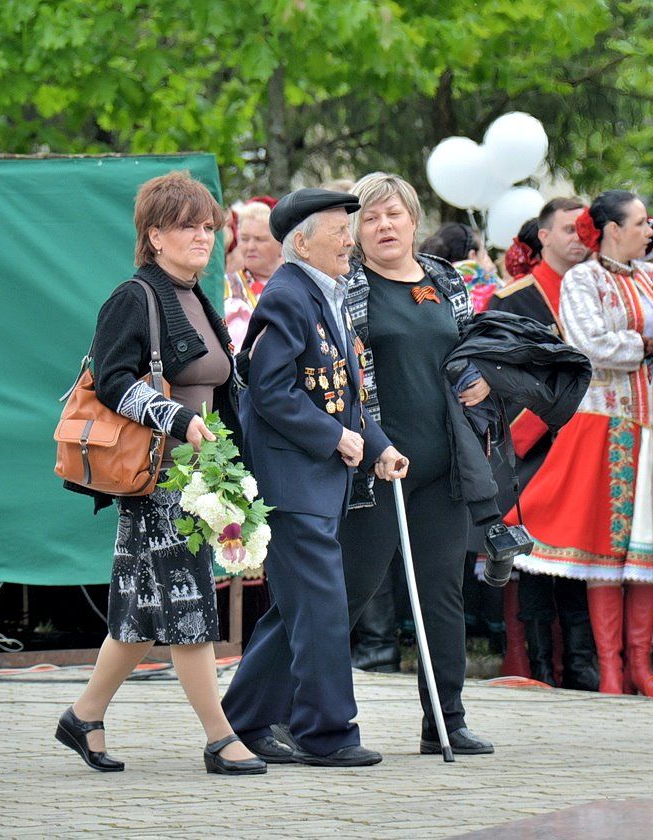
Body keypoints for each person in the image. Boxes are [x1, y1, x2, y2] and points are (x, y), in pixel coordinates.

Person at [56, 171, 264, 776]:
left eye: (207, 226)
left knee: (141, 611)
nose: (202, 236)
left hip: (196, 477)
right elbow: (114, 380)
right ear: (154, 235)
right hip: (159, 479)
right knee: (187, 604)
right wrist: (176, 420)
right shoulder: (134, 297)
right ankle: (220, 737)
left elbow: (220, 383)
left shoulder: (198, 294)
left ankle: (84, 716)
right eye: (185, 226)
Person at [220, 188, 408, 767]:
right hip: (292, 482)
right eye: (338, 232)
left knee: (297, 610)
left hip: (316, 481)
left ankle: (245, 720)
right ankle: (327, 734)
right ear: (302, 242)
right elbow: (271, 391)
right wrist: (335, 439)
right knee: (323, 609)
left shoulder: (321, 291)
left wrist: (376, 445)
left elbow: (340, 389)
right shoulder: (286, 295)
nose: (349, 241)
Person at [506, 190, 653, 699]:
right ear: (612, 230)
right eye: (641, 222)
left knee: (648, 548)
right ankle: (611, 671)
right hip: (604, 425)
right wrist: (646, 343)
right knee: (604, 546)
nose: (651, 230)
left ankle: (640, 667)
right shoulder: (584, 280)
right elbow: (588, 345)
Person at [339, 172, 497, 755]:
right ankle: (299, 712)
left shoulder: (443, 277)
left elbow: (465, 351)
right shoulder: (347, 286)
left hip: (444, 466)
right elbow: (342, 377)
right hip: (377, 465)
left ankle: (445, 720)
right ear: (356, 229)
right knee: (352, 592)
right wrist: (369, 443)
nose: (384, 226)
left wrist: (477, 380)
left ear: (413, 221)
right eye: (371, 217)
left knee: (442, 592)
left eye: (394, 215)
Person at [489, 197, 598, 690]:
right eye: (569, 229)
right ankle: (538, 665)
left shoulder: (600, 287)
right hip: (534, 439)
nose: (579, 238)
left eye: (585, 230)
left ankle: (582, 662)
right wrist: (536, 421)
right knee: (536, 555)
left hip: (590, 437)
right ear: (543, 236)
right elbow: (501, 372)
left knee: (581, 549)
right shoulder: (516, 297)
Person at [223, 201, 284, 349]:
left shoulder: (297, 282)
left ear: (280, 242)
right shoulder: (226, 285)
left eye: (259, 239)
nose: (250, 247)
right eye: (244, 239)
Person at [421, 221, 501, 312]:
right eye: (484, 254)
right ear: (472, 255)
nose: (489, 260)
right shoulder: (490, 288)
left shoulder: (427, 288)